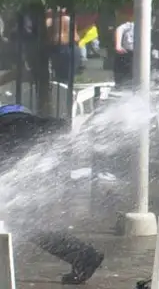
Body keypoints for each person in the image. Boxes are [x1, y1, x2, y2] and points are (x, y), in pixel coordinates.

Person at [0, 105, 104, 284]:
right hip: (31, 161)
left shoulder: (8, 129)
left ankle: (84, 255)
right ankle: (83, 255)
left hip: (16, 156)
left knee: (25, 224)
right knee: (26, 224)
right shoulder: (28, 123)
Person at [113, 11, 136, 88]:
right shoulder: (131, 24)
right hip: (127, 52)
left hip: (140, 54)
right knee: (121, 73)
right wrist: (118, 45)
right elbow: (119, 29)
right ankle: (120, 85)